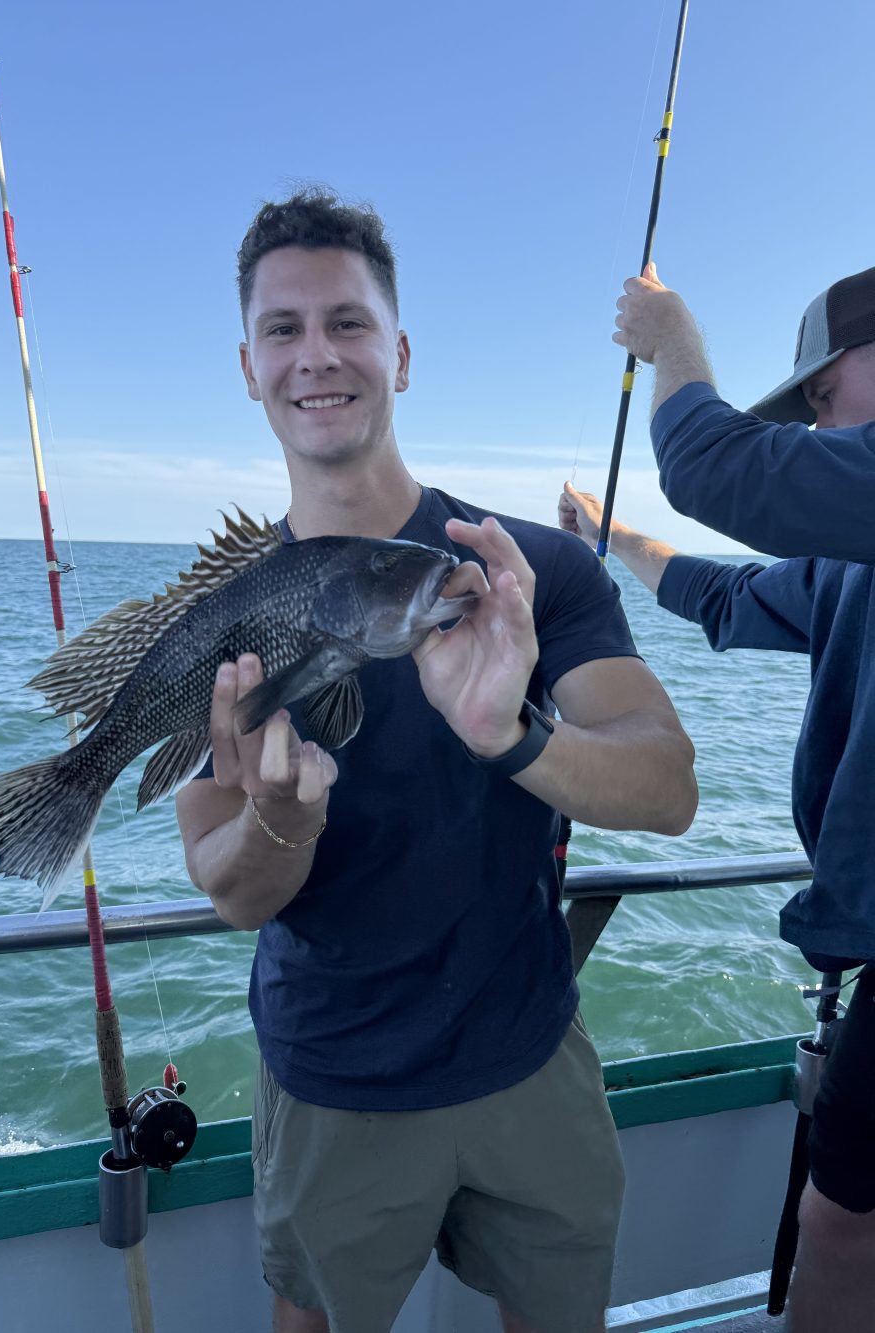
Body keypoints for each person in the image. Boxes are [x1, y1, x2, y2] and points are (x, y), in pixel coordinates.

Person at [175, 190, 698, 1333]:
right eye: (283, 329)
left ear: (399, 353)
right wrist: (278, 820)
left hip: (528, 1050)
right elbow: (226, 887)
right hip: (332, 1078)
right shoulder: (224, 614)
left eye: (348, 323)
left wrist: (512, 734)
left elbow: (668, 788)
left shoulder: (528, 571)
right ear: (250, 366)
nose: (317, 356)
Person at [557, 260, 875, 1333]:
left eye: (826, 393)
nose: (821, 421)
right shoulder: (851, 554)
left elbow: (713, 466)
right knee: (843, 1221)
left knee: (838, 1222)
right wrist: (609, 537)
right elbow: (729, 595)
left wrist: (671, 333)